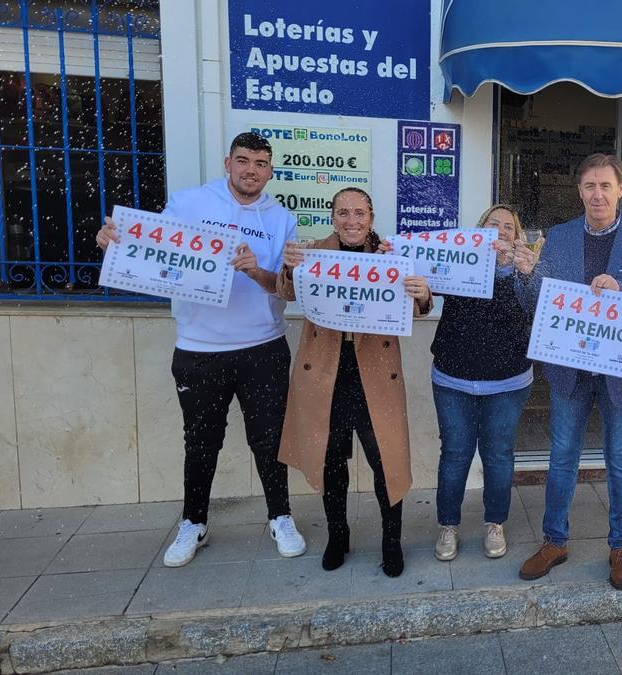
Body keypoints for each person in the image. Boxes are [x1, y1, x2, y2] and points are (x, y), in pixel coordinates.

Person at [96, 131, 306, 567]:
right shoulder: (190, 202)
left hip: (264, 348)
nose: (252, 170)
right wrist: (117, 243)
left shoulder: (282, 218)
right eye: (244, 161)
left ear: (270, 170)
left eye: (261, 164)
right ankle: (194, 522)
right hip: (198, 349)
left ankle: (280, 516)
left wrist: (256, 271)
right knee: (201, 442)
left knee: (269, 442)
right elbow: (154, 253)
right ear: (228, 162)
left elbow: (285, 292)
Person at [512, 153, 622, 591]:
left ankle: (620, 545)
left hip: (621, 373)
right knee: (562, 457)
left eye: (606, 186)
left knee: (620, 463)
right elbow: (534, 304)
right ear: (579, 191)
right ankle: (554, 541)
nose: (597, 194)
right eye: (589, 186)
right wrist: (526, 276)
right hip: (570, 371)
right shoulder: (559, 238)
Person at [277, 187, 432, 575]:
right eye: (343, 213)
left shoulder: (391, 256)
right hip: (327, 373)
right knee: (331, 463)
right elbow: (286, 292)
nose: (351, 220)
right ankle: (338, 535)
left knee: (386, 464)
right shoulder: (312, 252)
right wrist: (289, 267)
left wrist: (422, 292)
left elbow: (416, 307)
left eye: (359, 213)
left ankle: (391, 542)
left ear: (371, 218)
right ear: (333, 217)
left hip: (376, 374)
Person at [430, 205, 534, 561]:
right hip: (453, 378)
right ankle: (447, 525)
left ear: (517, 236)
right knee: (455, 454)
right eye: (494, 224)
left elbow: (535, 309)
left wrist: (521, 272)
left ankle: (494, 523)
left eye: (510, 226)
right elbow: (426, 277)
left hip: (508, 382)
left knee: (499, 455)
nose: (502, 230)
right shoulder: (460, 258)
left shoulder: (525, 273)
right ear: (480, 228)